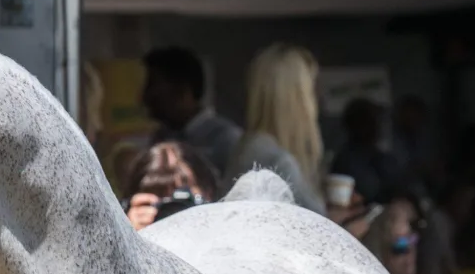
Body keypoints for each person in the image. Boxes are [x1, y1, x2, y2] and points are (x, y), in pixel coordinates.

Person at [224, 43, 325, 214]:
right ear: (297, 98)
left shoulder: (250, 148)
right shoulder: (277, 161)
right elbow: (316, 232)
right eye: (310, 90)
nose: (317, 98)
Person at [140, 46, 242, 177]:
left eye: (153, 85)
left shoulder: (226, 140)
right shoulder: (160, 138)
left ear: (182, 90)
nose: (145, 96)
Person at [121, 141, 219, 232]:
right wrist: (130, 234)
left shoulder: (224, 228)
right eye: (162, 199)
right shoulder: (131, 231)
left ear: (207, 197)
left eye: (183, 199)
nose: (173, 213)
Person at [330, 97, 403, 205]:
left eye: (377, 122)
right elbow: (369, 191)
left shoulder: (379, 156)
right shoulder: (347, 160)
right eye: (371, 122)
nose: (377, 127)